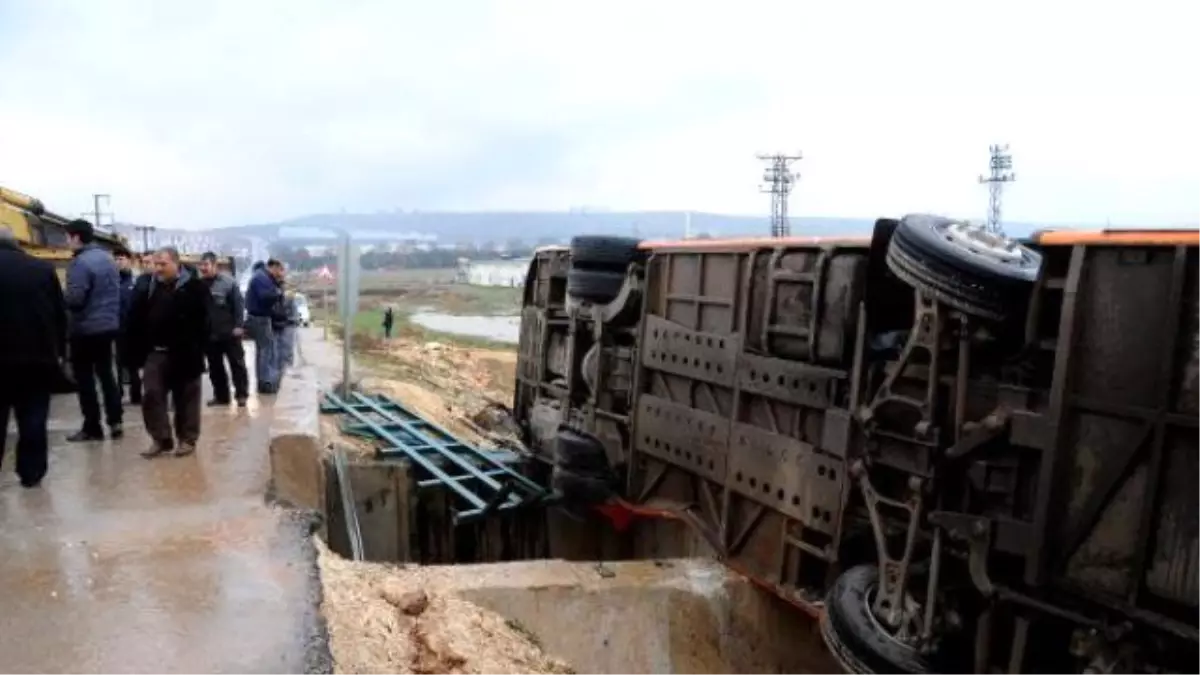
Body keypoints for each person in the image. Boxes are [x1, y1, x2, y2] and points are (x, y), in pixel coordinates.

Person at [125, 247, 209, 458]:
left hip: (185, 352)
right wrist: (134, 352)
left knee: (186, 398)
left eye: (163, 264)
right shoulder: (147, 286)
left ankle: (187, 439)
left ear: (176, 263)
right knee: (151, 394)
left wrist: (199, 349)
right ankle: (161, 439)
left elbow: (205, 322)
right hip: (155, 352)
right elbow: (134, 318)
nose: (158, 269)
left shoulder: (194, 287)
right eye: (156, 264)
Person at [0, 227, 67, 488]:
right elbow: (60, 315)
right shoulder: (42, 270)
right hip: (38, 358)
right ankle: (31, 473)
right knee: (33, 417)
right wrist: (60, 352)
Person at [63, 219, 124, 442]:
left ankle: (92, 427)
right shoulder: (108, 260)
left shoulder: (80, 263)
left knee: (85, 379)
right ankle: (116, 422)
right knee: (107, 375)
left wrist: (62, 298)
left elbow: (76, 299)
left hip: (85, 329)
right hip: (108, 326)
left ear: (76, 237)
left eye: (68, 237)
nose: (67, 242)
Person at [199, 251, 249, 407]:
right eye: (202, 265)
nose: (203, 268)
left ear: (214, 265)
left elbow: (239, 306)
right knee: (215, 368)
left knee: (237, 364)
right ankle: (221, 396)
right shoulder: (198, 285)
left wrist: (239, 326)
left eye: (206, 265)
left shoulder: (228, 283)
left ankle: (241, 395)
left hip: (229, 332)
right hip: (209, 334)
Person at [245, 259, 285, 394]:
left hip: (259, 318)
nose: (280, 273)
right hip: (260, 318)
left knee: (263, 351)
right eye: (279, 270)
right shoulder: (261, 278)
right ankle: (266, 382)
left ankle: (263, 381)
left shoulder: (262, 277)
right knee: (267, 351)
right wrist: (278, 292)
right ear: (272, 267)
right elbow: (265, 297)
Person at [113, 248, 142, 404]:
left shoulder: (136, 281)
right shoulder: (112, 281)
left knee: (134, 365)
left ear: (129, 261)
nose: (118, 262)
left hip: (133, 328)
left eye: (122, 259)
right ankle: (117, 395)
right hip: (116, 328)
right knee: (117, 363)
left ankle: (136, 395)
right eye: (116, 259)